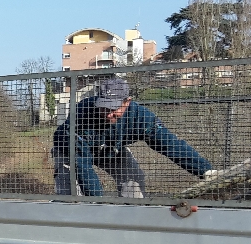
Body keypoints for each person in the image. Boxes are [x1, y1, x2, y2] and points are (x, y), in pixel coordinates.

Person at [52, 77, 215, 197]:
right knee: (71, 194)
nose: (109, 114)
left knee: (134, 179)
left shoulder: (140, 118)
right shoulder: (81, 116)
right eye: (104, 108)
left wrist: (205, 170)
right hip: (70, 151)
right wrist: (97, 202)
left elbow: (171, 145)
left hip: (110, 148)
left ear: (127, 102)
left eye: (114, 108)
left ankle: (129, 220)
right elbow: (83, 166)